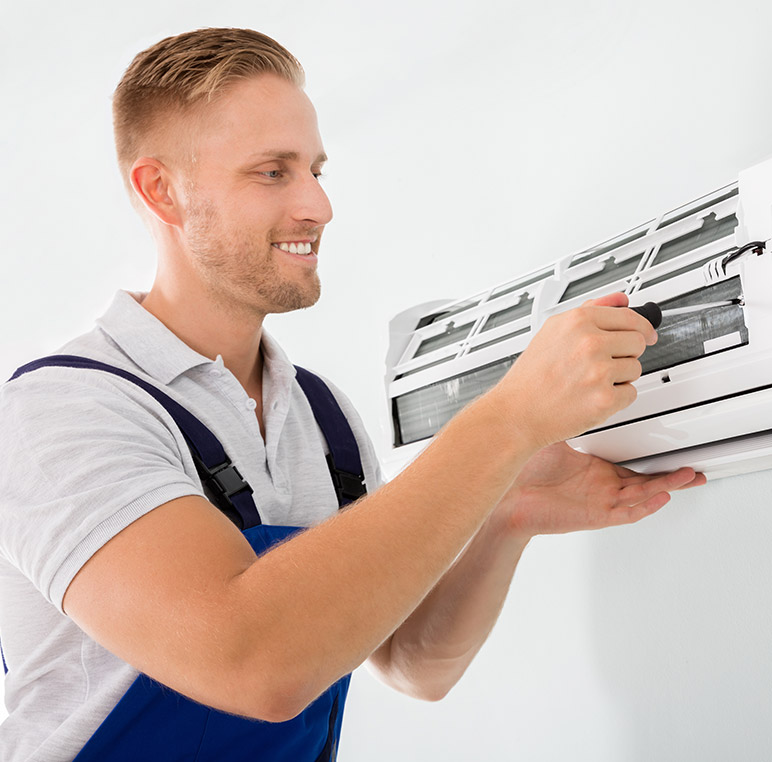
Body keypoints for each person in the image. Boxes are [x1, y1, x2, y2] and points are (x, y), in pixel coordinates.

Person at [0, 27, 705, 762]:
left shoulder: (321, 415)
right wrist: (507, 421)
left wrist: (507, 513)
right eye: (273, 172)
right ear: (163, 190)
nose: (318, 207)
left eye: (315, 169)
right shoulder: (61, 413)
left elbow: (409, 662)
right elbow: (252, 661)